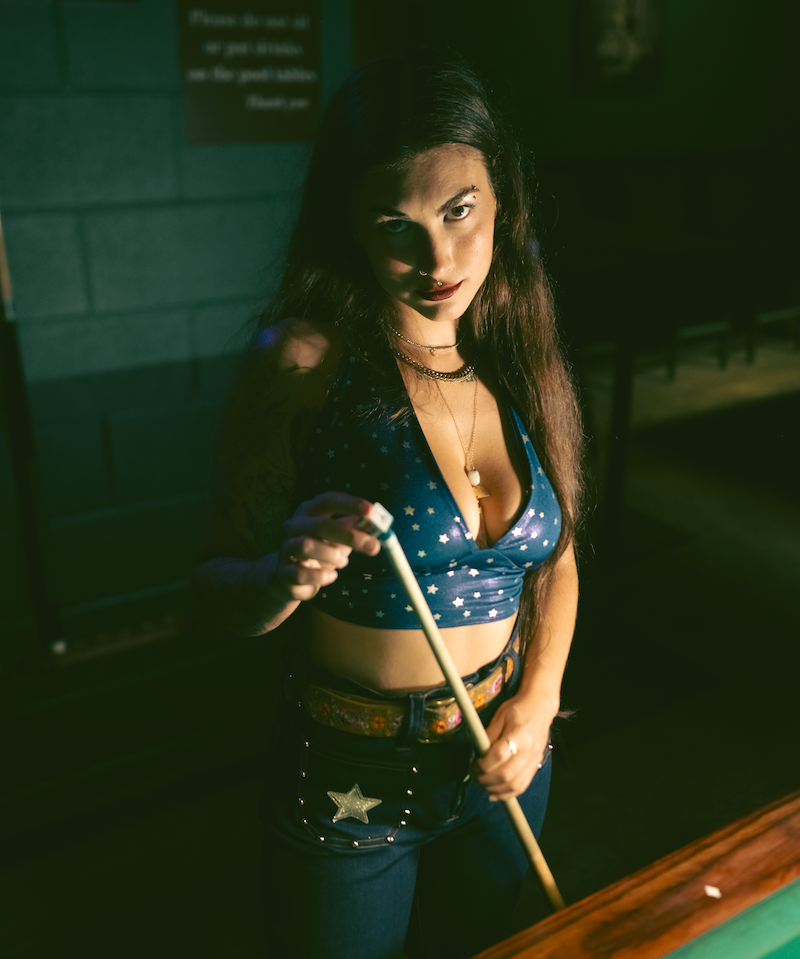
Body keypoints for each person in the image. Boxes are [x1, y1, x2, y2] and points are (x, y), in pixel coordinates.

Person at [193, 49, 583, 959]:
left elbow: (556, 557)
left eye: (459, 212)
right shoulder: (304, 361)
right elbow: (215, 589)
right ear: (353, 229)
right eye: (394, 225)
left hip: (504, 762)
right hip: (347, 780)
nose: (438, 259)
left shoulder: (518, 349)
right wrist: (281, 576)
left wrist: (538, 701)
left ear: (500, 200)